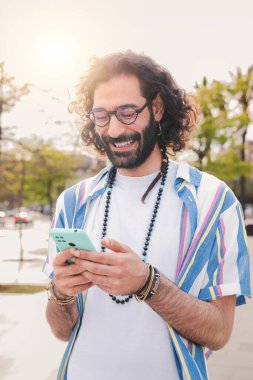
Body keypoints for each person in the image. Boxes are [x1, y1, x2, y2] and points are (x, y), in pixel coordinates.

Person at [43, 51, 251, 380]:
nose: (113, 130)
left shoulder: (213, 200)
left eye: (127, 113)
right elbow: (61, 330)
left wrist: (147, 283)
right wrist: (62, 293)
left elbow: (219, 332)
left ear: (156, 108)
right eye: (101, 116)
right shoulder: (72, 202)